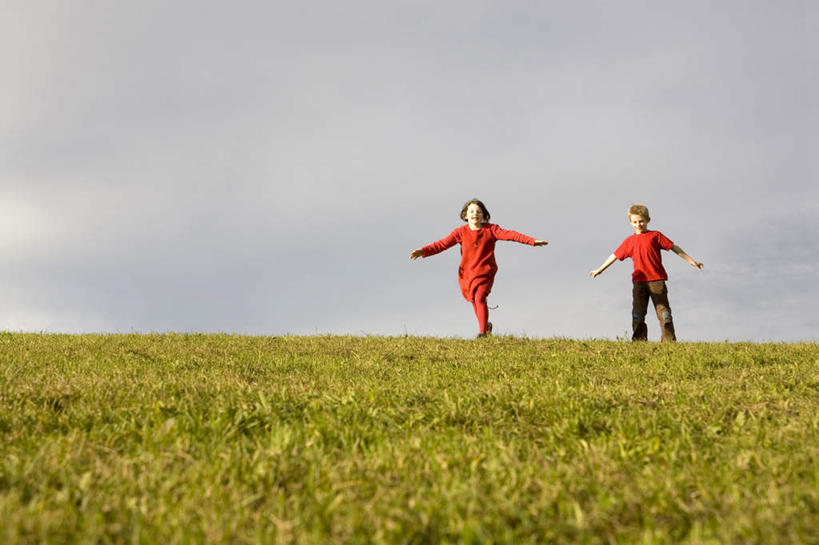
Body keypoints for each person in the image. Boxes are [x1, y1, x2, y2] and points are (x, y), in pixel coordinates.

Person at [410, 199, 548, 337]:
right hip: (467, 274)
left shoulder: (491, 230)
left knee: (480, 297)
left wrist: (531, 241)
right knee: (474, 301)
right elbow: (441, 244)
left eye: (478, 211)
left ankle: (482, 333)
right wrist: (424, 251)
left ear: (483, 215)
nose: (475, 214)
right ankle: (486, 326)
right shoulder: (460, 232)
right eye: (471, 211)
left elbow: (511, 235)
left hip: (485, 272)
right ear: (465, 216)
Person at [589, 204, 703, 342]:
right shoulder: (629, 241)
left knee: (664, 313)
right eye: (635, 222)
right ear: (630, 222)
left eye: (641, 221)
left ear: (648, 220)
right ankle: (639, 340)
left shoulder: (655, 236)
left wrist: (691, 261)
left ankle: (669, 341)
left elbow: (674, 248)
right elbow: (614, 255)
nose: (639, 224)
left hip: (657, 281)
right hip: (639, 283)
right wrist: (600, 269)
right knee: (638, 314)